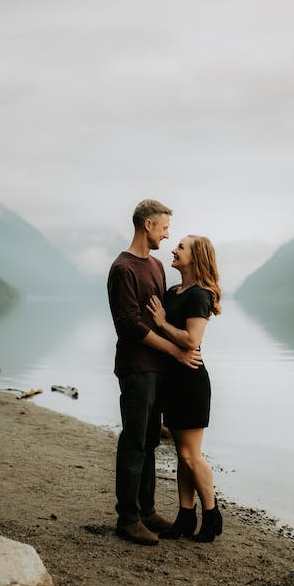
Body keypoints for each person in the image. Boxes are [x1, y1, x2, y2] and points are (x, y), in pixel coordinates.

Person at [107, 199, 204, 546]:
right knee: (133, 442)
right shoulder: (123, 269)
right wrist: (177, 352)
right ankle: (128, 518)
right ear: (147, 225)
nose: (167, 234)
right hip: (136, 369)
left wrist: (185, 341)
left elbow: (161, 320)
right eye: (164, 227)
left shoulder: (157, 267)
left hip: (157, 370)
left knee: (149, 442)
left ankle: (146, 511)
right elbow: (130, 326)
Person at [146, 234, 223, 542]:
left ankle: (212, 515)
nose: (173, 250)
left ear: (197, 257)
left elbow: (192, 340)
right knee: (182, 455)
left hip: (191, 381)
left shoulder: (200, 295)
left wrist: (163, 323)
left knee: (191, 456)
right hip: (172, 382)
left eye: (181, 247)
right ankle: (185, 517)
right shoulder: (174, 291)